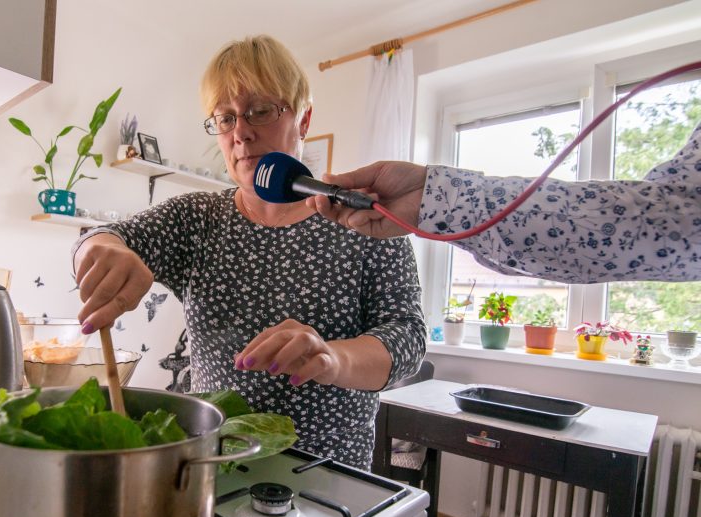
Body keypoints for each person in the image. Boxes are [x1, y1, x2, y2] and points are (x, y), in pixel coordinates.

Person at [73, 35, 426, 469]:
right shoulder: (196, 218)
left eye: (260, 110)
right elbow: (103, 236)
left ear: (304, 119)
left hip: (330, 472)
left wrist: (333, 358)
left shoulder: (364, 220)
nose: (241, 131)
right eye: (224, 118)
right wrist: (101, 247)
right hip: (213, 465)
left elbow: (407, 338)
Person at [307, 122, 701, 284]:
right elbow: (669, 221)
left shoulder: (369, 229)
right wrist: (434, 199)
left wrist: (435, 200)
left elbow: (677, 223)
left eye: (261, 111)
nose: (243, 135)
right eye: (238, 117)